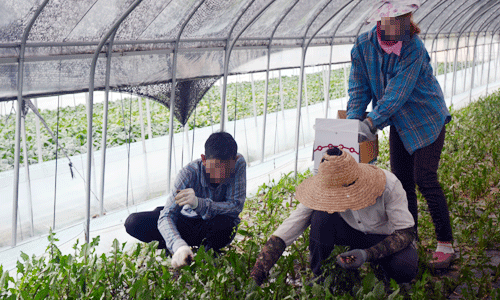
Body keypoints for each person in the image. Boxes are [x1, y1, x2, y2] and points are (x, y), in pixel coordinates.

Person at [346, 0, 454, 268]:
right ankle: (410, 238)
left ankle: (446, 244)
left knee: (424, 178)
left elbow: (397, 93)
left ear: (408, 19)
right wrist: (352, 123)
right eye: (392, 20)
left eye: (402, 19)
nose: (398, 25)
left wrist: (371, 123)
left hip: (427, 119)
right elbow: (359, 87)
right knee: (403, 182)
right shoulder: (363, 45)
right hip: (399, 123)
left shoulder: (413, 49)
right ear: (380, 21)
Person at [250, 147, 418, 286]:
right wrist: (258, 272)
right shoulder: (323, 188)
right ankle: (319, 276)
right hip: (349, 233)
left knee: (405, 267)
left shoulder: (388, 184)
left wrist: (367, 254)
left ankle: (378, 264)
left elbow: (406, 232)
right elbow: (289, 227)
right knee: (320, 217)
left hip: (382, 237)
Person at [124, 132, 246, 268]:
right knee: (133, 222)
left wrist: (199, 204)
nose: (220, 175)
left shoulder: (239, 164)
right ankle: (178, 250)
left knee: (226, 224)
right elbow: (167, 215)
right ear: (204, 160)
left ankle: (208, 252)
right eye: (215, 168)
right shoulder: (188, 174)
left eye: (226, 169)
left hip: (212, 226)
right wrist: (178, 245)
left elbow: (235, 206)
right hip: (185, 223)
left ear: (234, 161)